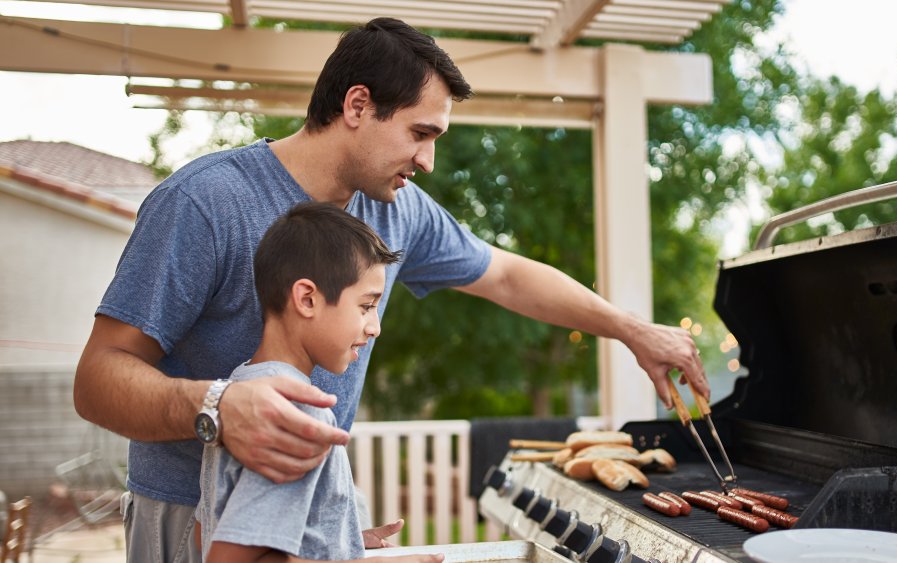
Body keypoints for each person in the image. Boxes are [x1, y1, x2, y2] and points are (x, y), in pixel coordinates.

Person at [74, 16, 709, 562]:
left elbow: (510, 275)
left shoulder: (396, 211)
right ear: (356, 107)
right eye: (420, 133)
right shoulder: (205, 202)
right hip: (189, 518)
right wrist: (218, 407)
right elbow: (98, 379)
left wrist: (632, 330)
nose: (428, 161)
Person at [197, 201, 433, 562]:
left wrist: (338, 538)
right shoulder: (298, 412)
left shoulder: (241, 390)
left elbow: (208, 529)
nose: (376, 327)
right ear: (307, 299)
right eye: (366, 306)